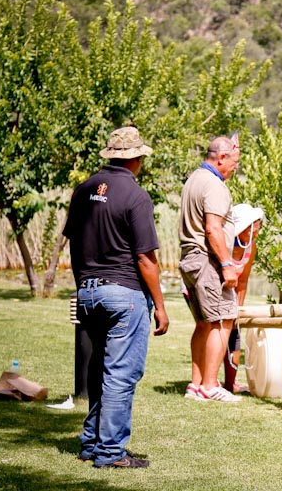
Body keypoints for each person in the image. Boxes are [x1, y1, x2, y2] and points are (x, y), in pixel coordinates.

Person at [63, 127, 169, 469]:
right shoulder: (136, 196)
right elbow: (146, 259)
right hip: (125, 294)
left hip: (88, 291)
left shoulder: (84, 190)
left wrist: (83, 285)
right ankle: (110, 452)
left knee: (98, 371)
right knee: (121, 374)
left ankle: (91, 444)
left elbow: (74, 246)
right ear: (136, 159)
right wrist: (161, 307)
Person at [179, 135, 243, 403]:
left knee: (203, 323)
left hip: (190, 259)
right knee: (223, 319)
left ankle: (195, 385)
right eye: (235, 161)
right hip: (207, 261)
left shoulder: (194, 179)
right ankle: (209, 385)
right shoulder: (215, 185)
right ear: (221, 158)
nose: (236, 167)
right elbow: (212, 228)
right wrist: (227, 264)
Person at [222, 203, 264, 394]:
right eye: (253, 228)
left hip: (232, 291)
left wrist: (237, 309)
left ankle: (230, 384)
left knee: (234, 333)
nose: (257, 231)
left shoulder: (251, 246)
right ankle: (207, 382)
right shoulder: (226, 243)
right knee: (216, 332)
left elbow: (243, 280)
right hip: (215, 290)